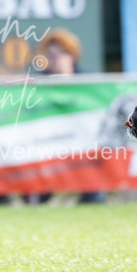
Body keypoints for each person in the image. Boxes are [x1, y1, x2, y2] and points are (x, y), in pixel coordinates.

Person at [33, 28, 104, 204]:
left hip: (83, 148)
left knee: (94, 186)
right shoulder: (37, 85)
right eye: (50, 54)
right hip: (49, 149)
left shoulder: (89, 83)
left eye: (60, 54)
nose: (55, 59)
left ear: (72, 56)